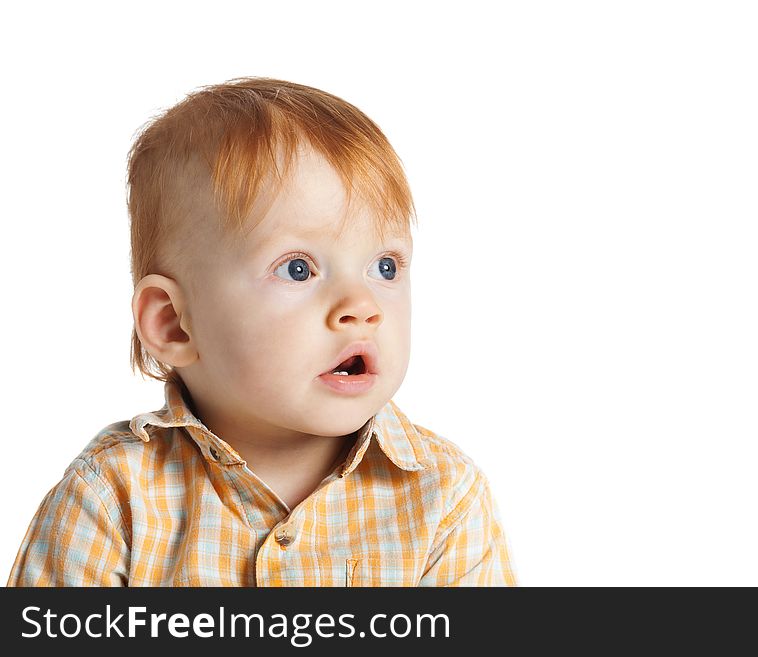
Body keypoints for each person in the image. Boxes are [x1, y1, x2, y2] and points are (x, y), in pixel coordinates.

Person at [7, 77, 517, 586]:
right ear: (173, 324)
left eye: (385, 267)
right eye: (298, 269)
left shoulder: (443, 496)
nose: (362, 307)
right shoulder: (113, 499)